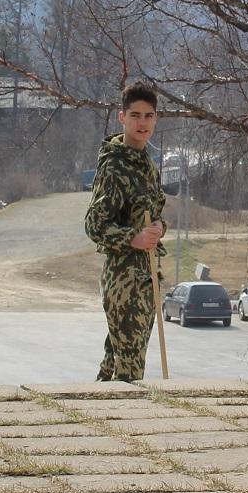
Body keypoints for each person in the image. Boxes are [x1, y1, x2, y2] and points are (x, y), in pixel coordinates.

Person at [84, 80, 165, 382]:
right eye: (135, 115)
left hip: (145, 276)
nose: (142, 123)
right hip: (123, 280)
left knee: (115, 364)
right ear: (122, 117)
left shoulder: (147, 165)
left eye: (148, 116)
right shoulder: (115, 166)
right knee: (129, 373)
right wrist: (134, 238)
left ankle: (95, 419)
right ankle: (124, 425)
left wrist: (158, 228)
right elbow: (95, 225)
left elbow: (154, 214)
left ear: (156, 118)